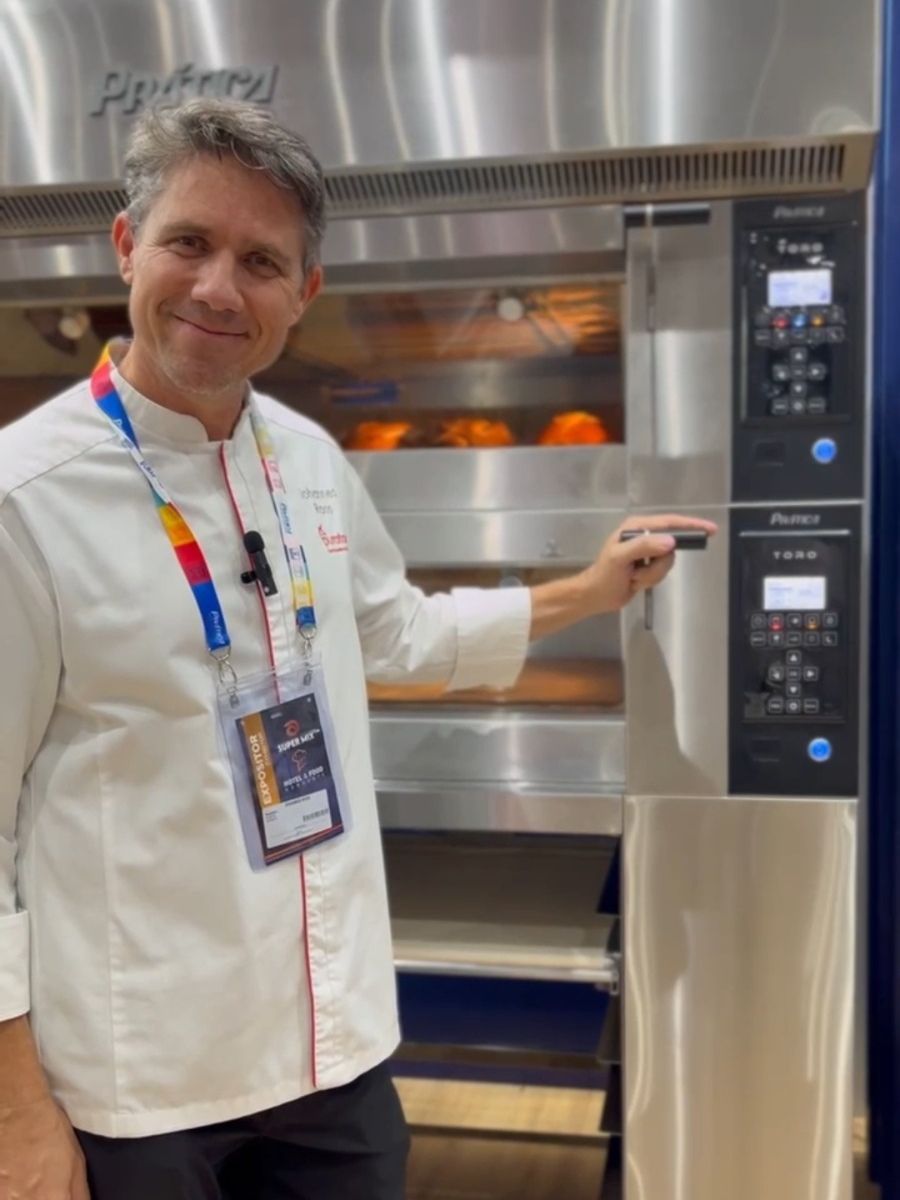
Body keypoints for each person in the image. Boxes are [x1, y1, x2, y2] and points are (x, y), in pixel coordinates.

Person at [0, 98, 715, 1200]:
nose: (218, 288)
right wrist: (15, 1120)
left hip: (333, 1052)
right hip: (136, 1086)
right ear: (127, 246)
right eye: (189, 241)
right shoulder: (25, 500)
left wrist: (587, 589)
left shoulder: (310, 459)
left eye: (262, 259)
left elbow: (397, 633)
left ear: (305, 293)